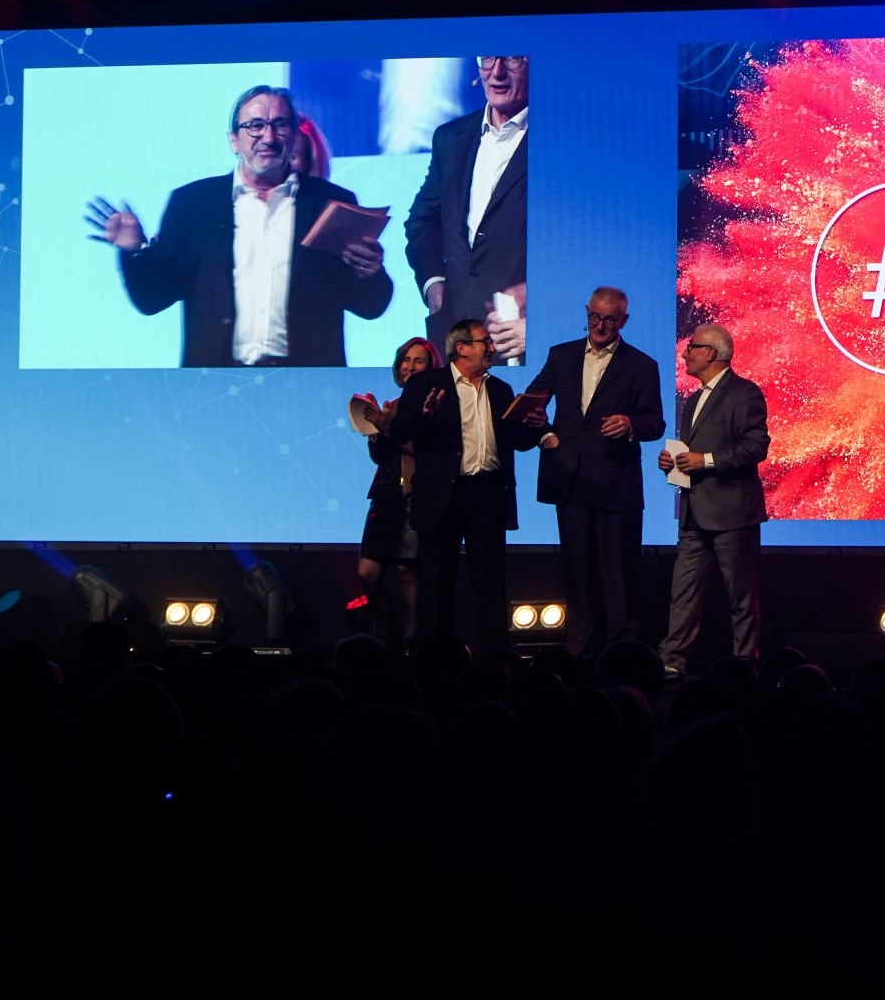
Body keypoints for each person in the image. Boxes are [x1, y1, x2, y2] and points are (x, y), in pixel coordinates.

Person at [85, 86, 392, 367]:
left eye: (280, 125)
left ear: (294, 137)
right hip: (215, 387)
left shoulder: (331, 203)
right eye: (255, 125)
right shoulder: (191, 204)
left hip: (307, 387)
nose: (268, 138)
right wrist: (136, 250)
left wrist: (370, 272)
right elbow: (152, 299)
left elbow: (370, 306)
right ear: (233, 139)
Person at [365, 319, 542, 652]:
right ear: (461, 348)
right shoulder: (426, 385)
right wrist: (425, 416)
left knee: (490, 583)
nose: (491, 347)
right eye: (484, 341)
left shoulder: (500, 390)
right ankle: (436, 663)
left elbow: (515, 442)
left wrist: (535, 426)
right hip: (442, 496)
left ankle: (495, 662)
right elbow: (400, 433)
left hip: (487, 495)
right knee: (437, 585)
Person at [524, 287, 666, 657]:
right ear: (586, 313)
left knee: (619, 576)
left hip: (615, 484)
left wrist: (630, 422)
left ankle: (622, 655)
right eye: (594, 317)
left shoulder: (641, 365)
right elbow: (530, 404)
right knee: (577, 574)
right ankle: (579, 655)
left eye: (609, 319)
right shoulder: (561, 355)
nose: (600, 326)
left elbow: (655, 423)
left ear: (624, 320)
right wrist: (546, 435)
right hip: (569, 480)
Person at [656, 323, 770, 681]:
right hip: (694, 514)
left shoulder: (744, 393)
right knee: (683, 594)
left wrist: (705, 460)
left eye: (692, 347)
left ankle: (744, 667)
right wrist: (673, 463)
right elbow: (692, 452)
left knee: (740, 597)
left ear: (711, 353)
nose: (685, 352)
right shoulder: (692, 399)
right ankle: (671, 663)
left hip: (732, 514)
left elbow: (756, 447)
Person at [403, 54, 529, 364]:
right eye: (488, 59)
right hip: (453, 335)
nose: (496, 72)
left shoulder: (562, 140)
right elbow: (421, 222)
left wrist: (541, 304)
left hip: (517, 339)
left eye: (512, 59)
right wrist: (433, 285)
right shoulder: (451, 137)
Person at [356, 335, 438, 643]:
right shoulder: (392, 405)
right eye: (406, 359)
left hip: (413, 492)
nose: (410, 366)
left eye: (419, 360)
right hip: (385, 491)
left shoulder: (436, 404)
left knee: (407, 572)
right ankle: (388, 635)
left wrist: (388, 428)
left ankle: (411, 644)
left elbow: (425, 450)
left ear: (430, 366)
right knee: (367, 572)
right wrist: (375, 431)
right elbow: (380, 456)